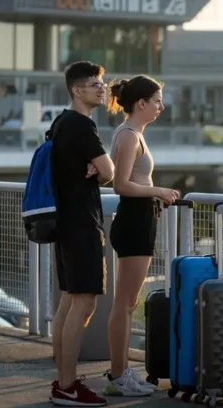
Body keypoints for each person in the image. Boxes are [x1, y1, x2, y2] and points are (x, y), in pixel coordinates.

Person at [101, 75, 180, 397]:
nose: (161, 106)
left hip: (140, 218)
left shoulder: (133, 134)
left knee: (129, 301)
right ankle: (117, 375)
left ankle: (121, 372)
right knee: (123, 303)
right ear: (141, 104)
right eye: (157, 100)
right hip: (134, 220)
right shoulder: (129, 135)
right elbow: (119, 185)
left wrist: (153, 195)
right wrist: (158, 190)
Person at [49, 61, 115, 407]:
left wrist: (99, 169)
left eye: (102, 84)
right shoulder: (81, 125)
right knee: (85, 302)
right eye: (95, 85)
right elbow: (109, 171)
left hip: (64, 223)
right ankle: (67, 385)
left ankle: (64, 380)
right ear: (77, 90)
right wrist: (101, 168)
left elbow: (99, 170)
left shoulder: (60, 122)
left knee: (69, 301)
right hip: (82, 224)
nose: (102, 89)